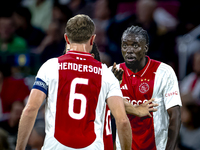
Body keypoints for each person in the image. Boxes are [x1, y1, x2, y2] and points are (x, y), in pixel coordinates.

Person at [15, 14, 132, 150]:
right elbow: (122, 121)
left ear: (66, 38)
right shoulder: (106, 73)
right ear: (92, 39)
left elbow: (30, 109)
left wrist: (19, 148)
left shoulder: (51, 66)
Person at [111, 25, 182, 150]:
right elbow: (102, 114)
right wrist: (112, 86)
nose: (129, 50)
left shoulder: (164, 72)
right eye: (125, 45)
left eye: (135, 45)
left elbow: (175, 115)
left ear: (145, 48)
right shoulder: (113, 73)